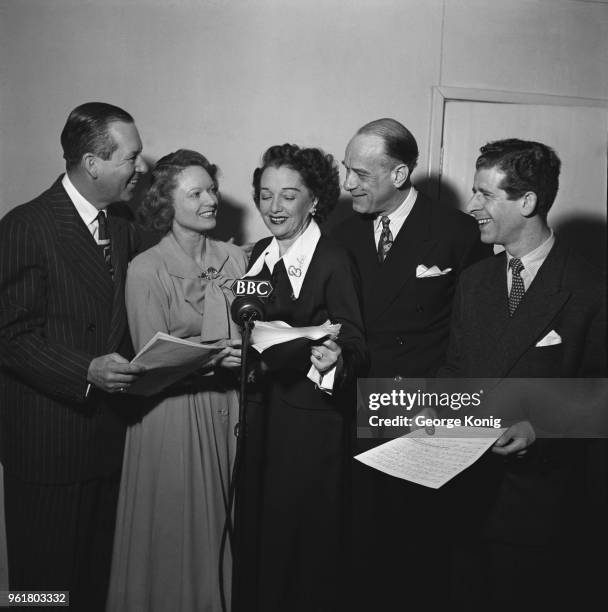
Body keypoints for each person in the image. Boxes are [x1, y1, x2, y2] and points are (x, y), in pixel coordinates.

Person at [440, 139, 606, 610]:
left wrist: (541, 428)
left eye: (485, 195)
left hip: (539, 509)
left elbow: (601, 393)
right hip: (463, 499)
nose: (471, 206)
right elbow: (456, 369)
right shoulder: (474, 281)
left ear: (527, 202)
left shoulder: (590, 288)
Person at [331, 118, 490, 609]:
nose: (348, 184)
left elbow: (475, 334)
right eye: (345, 170)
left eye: (361, 174)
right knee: (361, 546)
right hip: (356, 409)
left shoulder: (459, 232)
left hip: (426, 413)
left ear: (399, 175)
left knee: (421, 550)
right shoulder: (340, 232)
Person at [0, 102, 147, 610]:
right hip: (47, 444)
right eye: (131, 158)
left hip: (106, 443)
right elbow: (9, 336)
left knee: (91, 585)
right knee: (40, 590)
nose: (140, 168)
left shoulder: (124, 226)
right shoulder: (26, 225)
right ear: (92, 163)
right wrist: (84, 369)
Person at [107, 149, 247, 612]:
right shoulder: (145, 269)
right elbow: (152, 363)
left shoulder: (237, 259)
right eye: (197, 193)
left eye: (211, 189)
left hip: (232, 413)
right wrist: (212, 362)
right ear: (167, 204)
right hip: (173, 418)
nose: (210, 200)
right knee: (182, 531)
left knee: (230, 528)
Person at [235, 144, 366, 612]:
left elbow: (355, 342)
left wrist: (333, 361)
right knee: (261, 539)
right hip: (261, 421)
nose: (274, 207)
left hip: (311, 424)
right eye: (265, 195)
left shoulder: (333, 257)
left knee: (305, 545)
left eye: (288, 196)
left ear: (314, 201)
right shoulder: (256, 255)